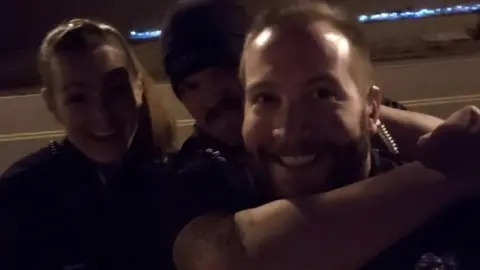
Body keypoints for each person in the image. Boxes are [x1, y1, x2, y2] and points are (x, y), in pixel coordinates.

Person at [168, 3, 480, 270]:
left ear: (372, 110)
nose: (288, 128)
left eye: (321, 93)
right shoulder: (199, 181)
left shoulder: (452, 218)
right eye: (266, 98)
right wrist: (450, 172)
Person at [161, 0, 442, 170]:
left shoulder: (361, 118)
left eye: (223, 71)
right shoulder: (196, 170)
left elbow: (453, 145)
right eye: (190, 86)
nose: (212, 97)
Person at [0, 19, 176, 269]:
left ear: (138, 89)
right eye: (78, 98)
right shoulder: (19, 199)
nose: (102, 115)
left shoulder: (179, 182)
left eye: (115, 91)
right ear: (51, 102)